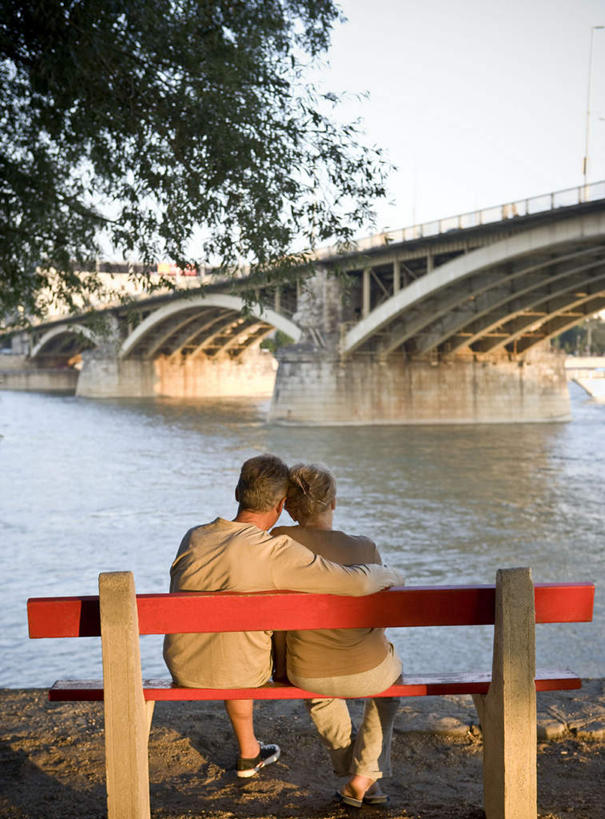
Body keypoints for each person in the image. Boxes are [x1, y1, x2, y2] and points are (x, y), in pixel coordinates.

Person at [163, 453, 403, 780]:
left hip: (183, 664)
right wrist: (389, 574)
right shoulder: (273, 550)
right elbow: (356, 582)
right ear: (280, 505)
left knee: (235, 636)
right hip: (241, 672)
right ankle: (362, 772)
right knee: (242, 646)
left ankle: (249, 752)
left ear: (237, 493)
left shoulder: (194, 536)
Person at [272, 463, 403, 808]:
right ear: (333, 503)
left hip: (307, 672)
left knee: (321, 692)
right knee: (390, 689)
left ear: (287, 506)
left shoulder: (279, 541)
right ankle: (363, 777)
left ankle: (357, 777)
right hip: (368, 670)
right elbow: (381, 616)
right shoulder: (364, 548)